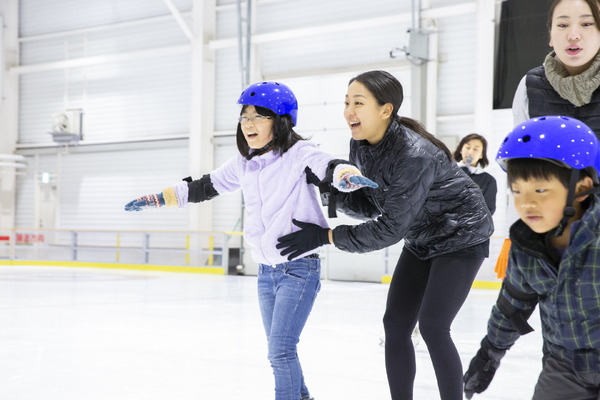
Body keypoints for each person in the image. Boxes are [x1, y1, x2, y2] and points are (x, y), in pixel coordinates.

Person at [123, 81, 376, 400]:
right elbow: (204, 186)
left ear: (281, 121)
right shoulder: (244, 163)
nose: (248, 124)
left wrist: (346, 176)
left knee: (280, 352)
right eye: (244, 117)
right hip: (266, 273)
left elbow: (328, 167)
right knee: (281, 352)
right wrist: (159, 198)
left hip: (299, 270)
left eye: (258, 116)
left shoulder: (299, 154)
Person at [276, 70, 494, 400]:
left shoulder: (414, 154)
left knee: (434, 326)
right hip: (421, 236)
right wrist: (327, 191)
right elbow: (370, 203)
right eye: (346, 102)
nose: (349, 110)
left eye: (358, 103)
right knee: (395, 324)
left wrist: (327, 237)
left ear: (385, 110)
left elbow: (390, 227)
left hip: (462, 235)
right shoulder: (360, 145)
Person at [463, 115, 600, 399]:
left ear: (582, 187)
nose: (526, 203)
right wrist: (489, 354)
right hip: (564, 367)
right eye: (517, 191)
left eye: (540, 190)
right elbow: (512, 307)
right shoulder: (526, 247)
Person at [512, 0, 600, 133]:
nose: (573, 36)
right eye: (563, 25)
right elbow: (524, 149)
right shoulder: (528, 86)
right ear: (551, 35)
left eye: (586, 24)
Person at [454, 133, 497, 216]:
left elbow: (488, 210)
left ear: (481, 155)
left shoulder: (488, 180)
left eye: (476, 149)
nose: (470, 152)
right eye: (467, 147)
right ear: (461, 150)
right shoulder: (447, 172)